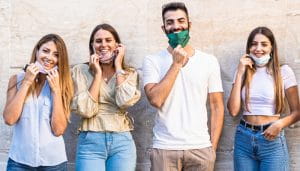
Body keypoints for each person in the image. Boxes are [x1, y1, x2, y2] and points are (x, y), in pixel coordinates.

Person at [143, 2, 224, 171]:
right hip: (165, 148)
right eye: (169, 22)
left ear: (189, 24)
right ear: (163, 28)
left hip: (200, 148)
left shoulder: (208, 61)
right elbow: (156, 100)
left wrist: (212, 149)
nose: (176, 26)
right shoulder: (152, 61)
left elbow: (217, 106)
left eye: (181, 21)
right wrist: (176, 64)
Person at [227, 26, 300, 171]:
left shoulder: (283, 72)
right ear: (248, 47)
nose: (258, 48)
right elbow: (233, 111)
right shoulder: (242, 71)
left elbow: (297, 112)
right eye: (254, 44)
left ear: (272, 47)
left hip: (271, 139)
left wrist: (279, 124)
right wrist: (240, 72)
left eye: (264, 44)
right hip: (243, 139)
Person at [71, 23, 141, 171]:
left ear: (117, 44)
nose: (103, 45)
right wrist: (97, 74)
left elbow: (124, 102)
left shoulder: (129, 73)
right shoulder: (80, 71)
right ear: (92, 46)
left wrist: (118, 66)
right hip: (90, 141)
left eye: (108, 40)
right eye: (98, 41)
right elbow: (86, 110)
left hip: (122, 141)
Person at [3, 33, 73, 171]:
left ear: (60, 60)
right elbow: (10, 119)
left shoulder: (64, 84)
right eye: (45, 51)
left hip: (54, 164)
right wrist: (27, 82)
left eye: (56, 54)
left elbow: (58, 130)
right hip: (19, 162)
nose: (49, 58)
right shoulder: (16, 79)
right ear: (37, 51)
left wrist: (56, 91)